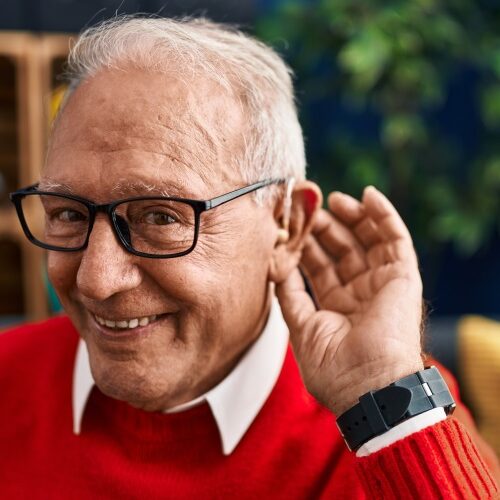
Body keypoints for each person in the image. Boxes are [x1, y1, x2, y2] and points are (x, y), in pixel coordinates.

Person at [1, 16, 498, 498]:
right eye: (68, 213)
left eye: (160, 217)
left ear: (286, 226)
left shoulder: (391, 416)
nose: (97, 280)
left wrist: (382, 398)